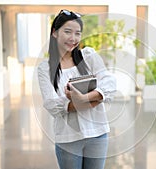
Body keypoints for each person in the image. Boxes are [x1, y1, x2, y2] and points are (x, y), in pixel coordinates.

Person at [37, 9, 116, 169]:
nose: (73, 38)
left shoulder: (88, 56)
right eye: (67, 32)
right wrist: (93, 100)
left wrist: (82, 99)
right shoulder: (45, 68)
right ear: (54, 32)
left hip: (98, 134)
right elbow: (52, 104)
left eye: (78, 33)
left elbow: (109, 83)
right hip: (68, 139)